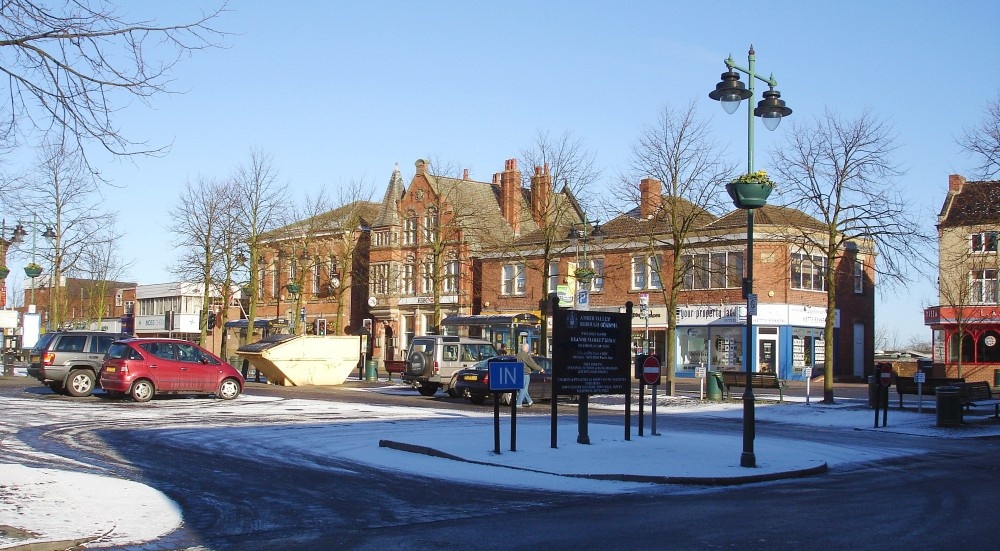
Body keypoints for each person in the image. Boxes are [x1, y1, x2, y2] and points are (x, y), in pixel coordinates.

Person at [515, 343, 543, 408]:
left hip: (518, 373)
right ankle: (518, 403)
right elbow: (532, 364)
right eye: (528, 348)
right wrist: (540, 369)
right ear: (526, 348)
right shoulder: (526, 355)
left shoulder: (518, 354)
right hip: (525, 374)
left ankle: (529, 401)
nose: (528, 349)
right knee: (523, 389)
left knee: (523, 389)